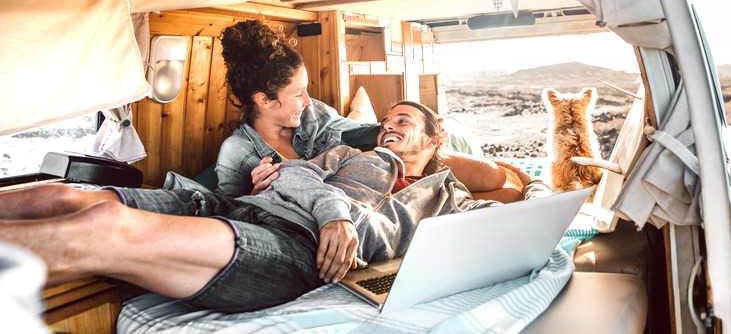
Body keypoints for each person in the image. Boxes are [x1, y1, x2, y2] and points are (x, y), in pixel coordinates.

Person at [0, 102, 526, 313]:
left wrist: (443, 160)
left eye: (405, 120)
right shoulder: (349, 151)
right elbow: (299, 172)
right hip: (237, 206)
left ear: (437, 139)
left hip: (292, 248)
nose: (390, 124)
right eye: (387, 117)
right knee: (64, 195)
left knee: (106, 224)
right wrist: (334, 211)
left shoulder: (445, 196)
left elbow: (515, 187)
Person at [214, 19, 531, 202]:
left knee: (497, 177)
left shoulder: (313, 114)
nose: (308, 101)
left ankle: (530, 183)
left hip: (385, 155)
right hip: (359, 198)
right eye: (298, 93)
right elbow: (232, 217)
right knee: (505, 199)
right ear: (264, 100)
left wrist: (406, 136)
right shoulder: (238, 154)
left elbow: (359, 132)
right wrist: (258, 193)